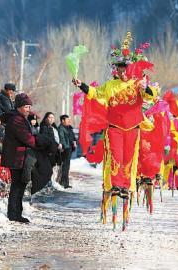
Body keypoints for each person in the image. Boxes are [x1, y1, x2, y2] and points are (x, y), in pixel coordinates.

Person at [72, 32, 155, 230]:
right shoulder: (110, 85)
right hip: (115, 128)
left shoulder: (137, 84)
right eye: (119, 67)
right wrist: (81, 85)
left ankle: (126, 186)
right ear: (115, 69)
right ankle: (116, 185)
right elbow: (95, 93)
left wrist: (146, 86)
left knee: (129, 159)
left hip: (133, 128)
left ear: (131, 68)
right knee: (116, 157)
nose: (122, 70)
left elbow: (150, 98)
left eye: (125, 67)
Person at [1, 93, 36, 223]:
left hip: (19, 156)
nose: (28, 109)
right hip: (16, 157)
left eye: (29, 107)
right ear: (19, 107)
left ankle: (16, 212)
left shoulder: (20, 118)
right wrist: (39, 143)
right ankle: (14, 214)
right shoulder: (16, 120)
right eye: (26, 106)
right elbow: (26, 138)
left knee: (20, 185)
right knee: (17, 185)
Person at [58, 114, 77, 188]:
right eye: (67, 120)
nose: (69, 121)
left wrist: (74, 141)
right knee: (65, 167)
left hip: (69, 149)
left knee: (67, 167)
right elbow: (62, 138)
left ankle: (66, 183)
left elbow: (72, 136)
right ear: (63, 121)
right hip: (65, 149)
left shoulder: (68, 128)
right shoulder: (61, 128)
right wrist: (65, 147)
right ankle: (63, 183)